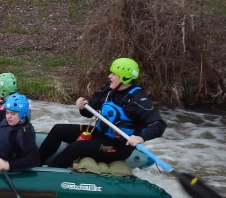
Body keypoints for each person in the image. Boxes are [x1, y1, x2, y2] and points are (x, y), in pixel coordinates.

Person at [38, 57, 166, 168]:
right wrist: (82, 107)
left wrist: (141, 137)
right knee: (58, 129)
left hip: (118, 146)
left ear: (125, 78)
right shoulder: (107, 90)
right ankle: (36, 163)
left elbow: (159, 125)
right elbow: (89, 113)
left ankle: (49, 174)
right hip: (99, 133)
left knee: (75, 147)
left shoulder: (138, 100)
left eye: (114, 74)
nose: (109, 76)